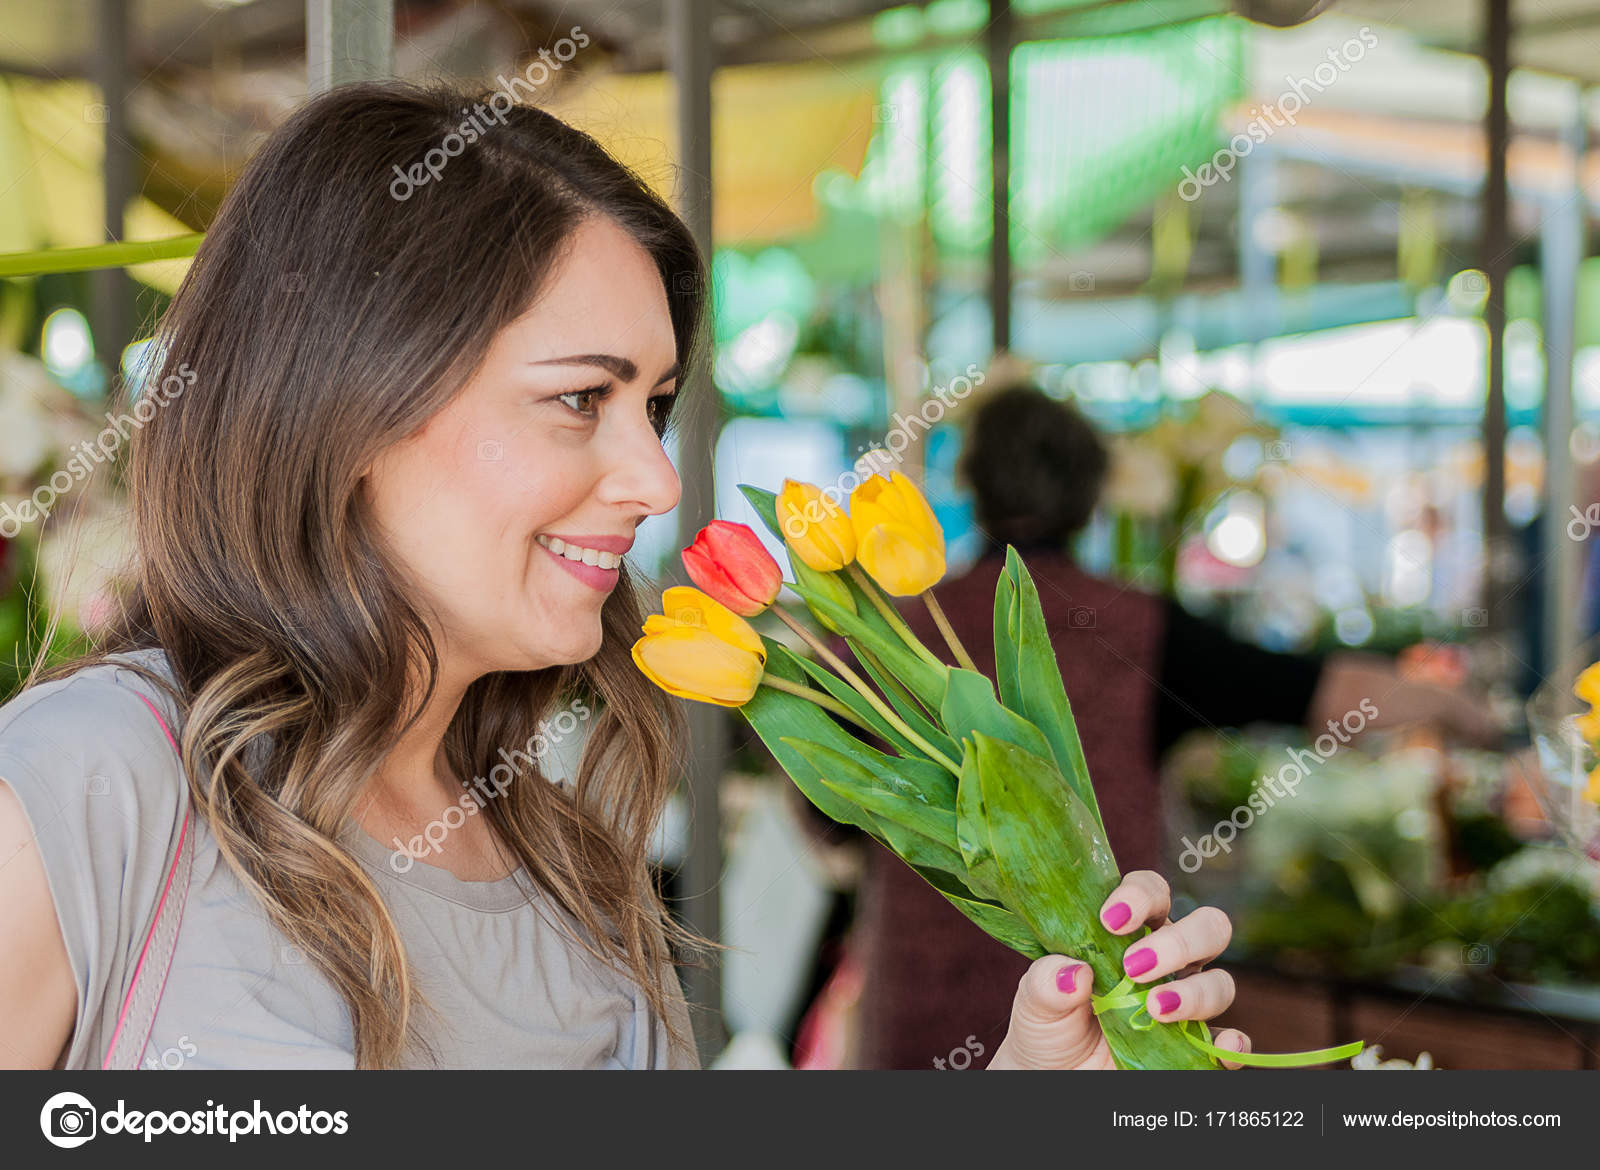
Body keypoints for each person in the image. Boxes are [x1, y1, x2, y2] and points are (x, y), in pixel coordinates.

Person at [0, 83, 1247, 1070]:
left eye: (652, 405)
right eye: (579, 400)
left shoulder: (574, 875)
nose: (655, 478)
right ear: (349, 404)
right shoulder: (85, 790)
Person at [849, 383, 1499, 1070]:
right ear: (1094, 493)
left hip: (919, 1002)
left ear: (970, 482)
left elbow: (829, 810)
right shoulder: (1140, 629)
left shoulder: (896, 632)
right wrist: (1459, 709)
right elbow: (1321, 691)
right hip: (1102, 1015)